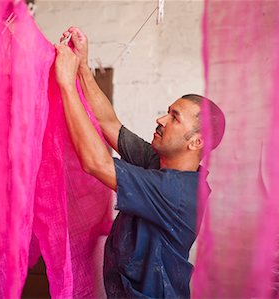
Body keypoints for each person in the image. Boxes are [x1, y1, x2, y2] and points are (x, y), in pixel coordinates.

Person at [54, 27, 225, 298]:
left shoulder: (177, 192)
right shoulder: (160, 163)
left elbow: (96, 163)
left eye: (174, 118)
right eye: (167, 113)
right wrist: (83, 68)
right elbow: (109, 123)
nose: (161, 120)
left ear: (196, 142)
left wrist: (66, 85)